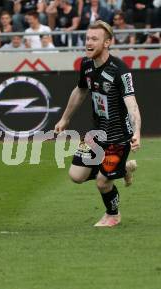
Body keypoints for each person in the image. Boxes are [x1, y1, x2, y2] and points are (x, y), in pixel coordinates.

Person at [54, 20, 141, 227]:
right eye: (87, 38)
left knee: (103, 182)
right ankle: (123, 169)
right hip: (97, 134)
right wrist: (65, 118)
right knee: (76, 175)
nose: (88, 43)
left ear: (107, 43)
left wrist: (137, 131)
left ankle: (113, 215)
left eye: (94, 39)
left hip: (119, 137)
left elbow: (132, 105)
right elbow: (80, 90)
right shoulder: (86, 65)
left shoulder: (120, 70)